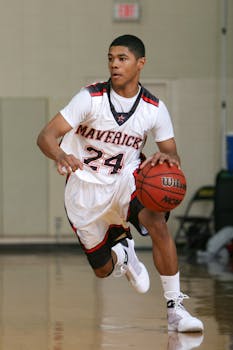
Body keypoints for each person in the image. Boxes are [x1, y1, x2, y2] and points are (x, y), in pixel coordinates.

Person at [37, 34, 204, 333]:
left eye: (122, 58)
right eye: (111, 58)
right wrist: (61, 155)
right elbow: (46, 136)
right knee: (102, 271)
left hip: (126, 179)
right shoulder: (90, 98)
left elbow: (170, 152)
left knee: (157, 223)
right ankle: (124, 255)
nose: (114, 64)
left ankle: (176, 308)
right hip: (84, 190)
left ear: (140, 63)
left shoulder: (153, 107)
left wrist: (167, 159)